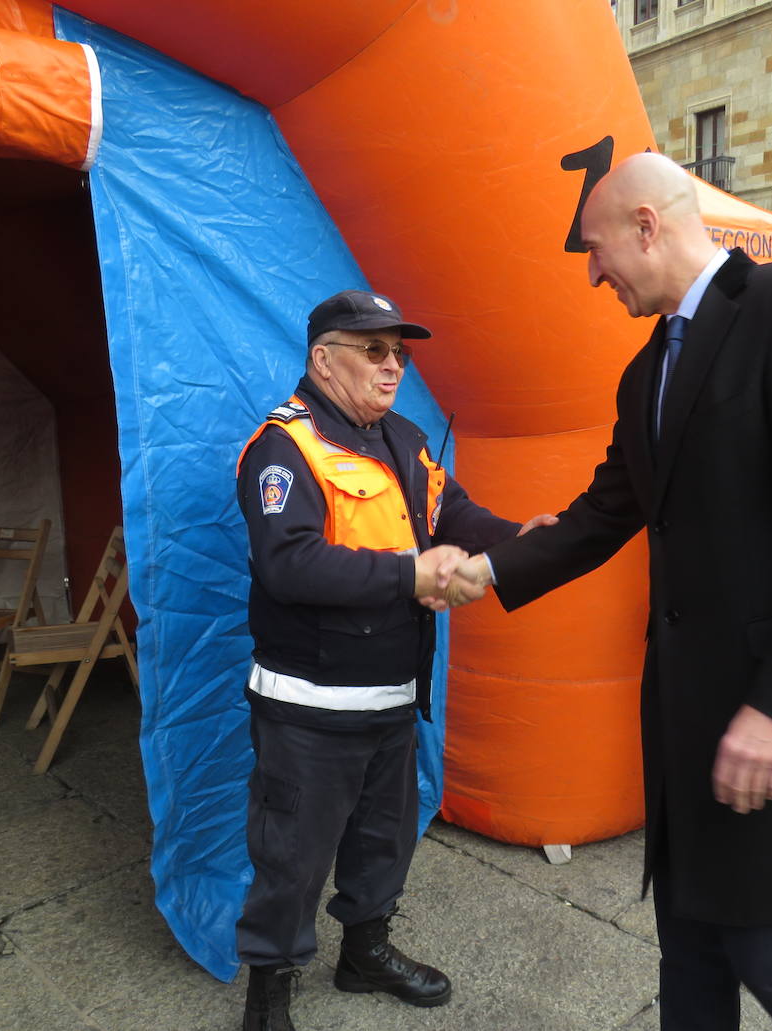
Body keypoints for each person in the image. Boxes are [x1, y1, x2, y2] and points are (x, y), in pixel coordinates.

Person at [450, 154, 772, 1031]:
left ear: (646, 225)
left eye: (594, 248)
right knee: (687, 942)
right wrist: (489, 571)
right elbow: (609, 508)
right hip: (685, 719)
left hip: (771, 712)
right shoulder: (646, 369)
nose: (591, 272)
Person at [234, 289, 553, 1030]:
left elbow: (451, 514)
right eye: (373, 349)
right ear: (323, 358)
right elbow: (290, 565)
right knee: (292, 859)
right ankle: (268, 997)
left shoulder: (405, 437)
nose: (393, 365)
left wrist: (517, 536)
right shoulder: (284, 448)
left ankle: (364, 953)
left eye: (400, 353)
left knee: (383, 841)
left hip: (390, 699)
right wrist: (409, 575)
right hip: (309, 708)